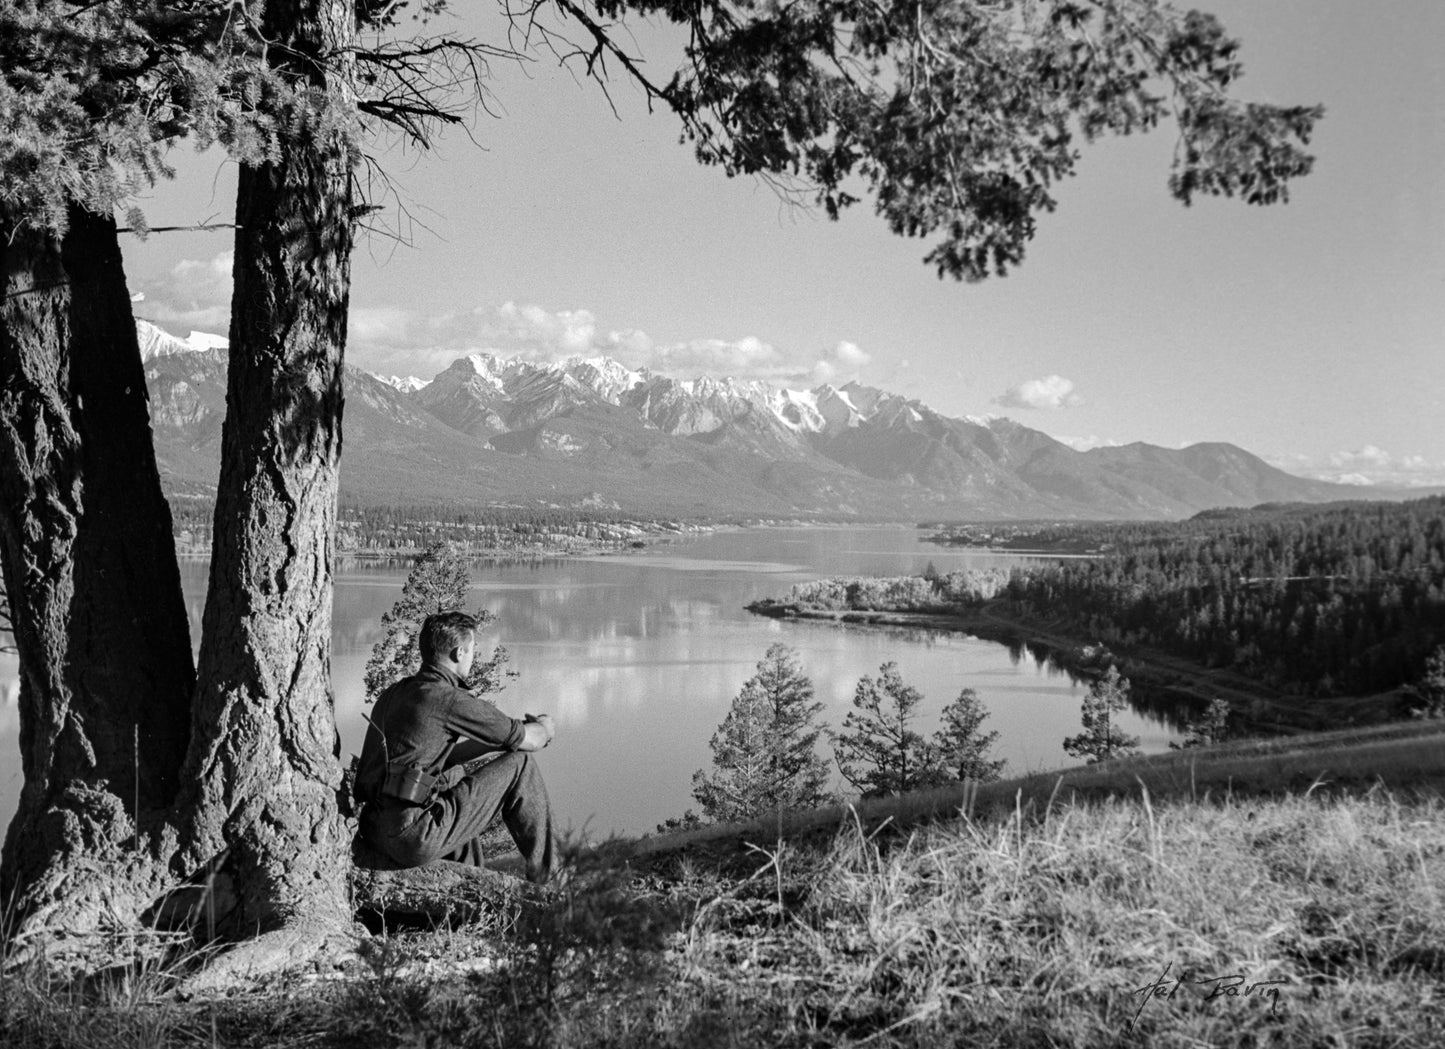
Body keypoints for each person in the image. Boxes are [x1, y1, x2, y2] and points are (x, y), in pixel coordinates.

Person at [354, 610, 556, 883]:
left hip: (375, 828)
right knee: (521, 766)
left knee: (453, 779)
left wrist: (493, 743)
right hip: (413, 834)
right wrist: (545, 726)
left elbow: (439, 759)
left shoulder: (395, 694)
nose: (473, 657)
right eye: (473, 650)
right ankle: (551, 882)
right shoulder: (447, 698)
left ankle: (468, 893)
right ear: (459, 652)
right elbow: (531, 741)